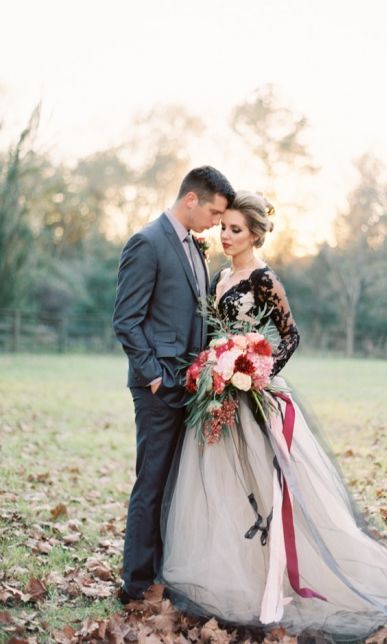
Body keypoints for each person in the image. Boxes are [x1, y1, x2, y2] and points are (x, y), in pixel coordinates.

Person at [160, 191, 387, 640]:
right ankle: (229, 575)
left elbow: (290, 336)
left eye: (235, 229)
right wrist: (216, 368)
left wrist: (256, 371)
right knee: (223, 489)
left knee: (267, 489)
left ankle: (279, 578)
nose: (225, 235)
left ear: (255, 235)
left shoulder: (264, 279)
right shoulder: (221, 276)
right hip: (221, 396)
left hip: (255, 396)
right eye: (223, 227)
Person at [112, 166, 235, 603]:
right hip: (159, 387)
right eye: (215, 213)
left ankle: (165, 571)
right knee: (151, 483)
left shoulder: (194, 248)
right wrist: (155, 379)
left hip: (190, 385)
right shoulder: (147, 243)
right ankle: (136, 583)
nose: (217, 223)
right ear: (190, 200)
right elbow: (126, 321)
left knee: (174, 485)